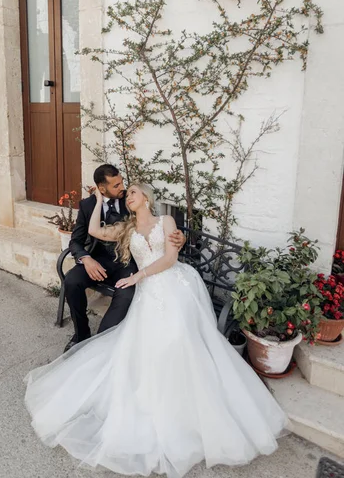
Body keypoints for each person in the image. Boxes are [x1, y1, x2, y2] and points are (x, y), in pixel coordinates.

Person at [25, 183, 287, 478]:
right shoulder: (125, 228)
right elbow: (96, 230)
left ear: (146, 198)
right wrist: (97, 199)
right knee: (150, 342)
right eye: (127, 194)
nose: (128, 196)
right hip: (149, 290)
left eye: (133, 192)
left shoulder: (167, 222)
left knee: (179, 336)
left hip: (175, 283)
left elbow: (170, 259)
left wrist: (139, 274)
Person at [64, 164, 185, 351]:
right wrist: (86, 259)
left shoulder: (130, 200)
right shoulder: (87, 205)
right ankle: (81, 334)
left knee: (126, 292)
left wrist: (179, 238)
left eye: (122, 183)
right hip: (99, 261)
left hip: (126, 264)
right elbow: (76, 240)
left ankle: (105, 338)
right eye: (116, 185)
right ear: (101, 188)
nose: (123, 189)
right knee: (72, 280)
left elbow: (153, 225)